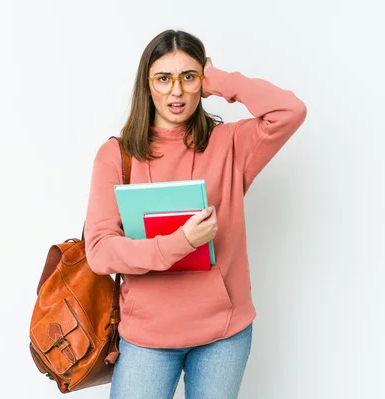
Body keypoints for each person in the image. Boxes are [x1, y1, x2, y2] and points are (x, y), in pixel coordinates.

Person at [84, 29, 307, 399]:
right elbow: (100, 251)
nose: (176, 91)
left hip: (223, 335)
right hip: (147, 338)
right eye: (163, 78)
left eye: (188, 77)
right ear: (147, 84)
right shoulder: (116, 156)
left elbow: (290, 111)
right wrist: (178, 243)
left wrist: (217, 79)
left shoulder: (231, 144)